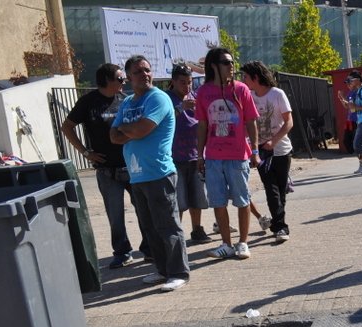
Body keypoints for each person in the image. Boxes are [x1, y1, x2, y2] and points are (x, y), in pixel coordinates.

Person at [110, 55, 189, 292]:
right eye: (138, 71)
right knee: (150, 228)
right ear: (128, 77)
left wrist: (127, 129)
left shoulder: (158, 98)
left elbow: (143, 129)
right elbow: (113, 136)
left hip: (159, 173)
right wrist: (128, 130)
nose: (144, 74)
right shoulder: (126, 103)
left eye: (147, 70)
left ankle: (178, 272)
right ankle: (163, 270)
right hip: (137, 175)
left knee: (168, 225)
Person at [61, 63, 151, 268]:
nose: (124, 82)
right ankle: (122, 252)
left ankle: (148, 248)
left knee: (143, 209)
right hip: (106, 170)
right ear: (106, 81)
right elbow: (67, 127)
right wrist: (85, 152)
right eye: (120, 79)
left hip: (132, 167)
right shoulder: (88, 102)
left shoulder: (125, 101)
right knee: (115, 213)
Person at [196, 47, 261, 260]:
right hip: (214, 157)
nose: (231, 66)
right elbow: (203, 126)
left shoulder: (241, 90)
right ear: (213, 66)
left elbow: (251, 122)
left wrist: (255, 151)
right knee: (218, 201)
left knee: (242, 200)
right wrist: (200, 155)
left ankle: (243, 242)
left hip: (238, 155)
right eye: (226, 62)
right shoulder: (203, 92)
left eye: (232, 62)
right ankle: (226, 244)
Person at [241, 61, 294, 243]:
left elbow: (289, 122)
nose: (243, 80)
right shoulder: (248, 96)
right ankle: (280, 227)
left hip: (281, 150)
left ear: (255, 77)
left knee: (280, 191)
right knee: (271, 190)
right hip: (261, 152)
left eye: (246, 76)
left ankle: (278, 222)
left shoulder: (277, 94)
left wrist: (274, 140)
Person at [166, 64, 211, 244]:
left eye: (190, 82)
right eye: (183, 83)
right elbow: (162, 122)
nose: (187, 87)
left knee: (197, 196)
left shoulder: (195, 97)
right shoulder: (166, 99)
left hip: (195, 154)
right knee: (179, 199)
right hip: (175, 157)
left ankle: (197, 229)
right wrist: (180, 109)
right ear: (173, 82)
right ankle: (177, 233)